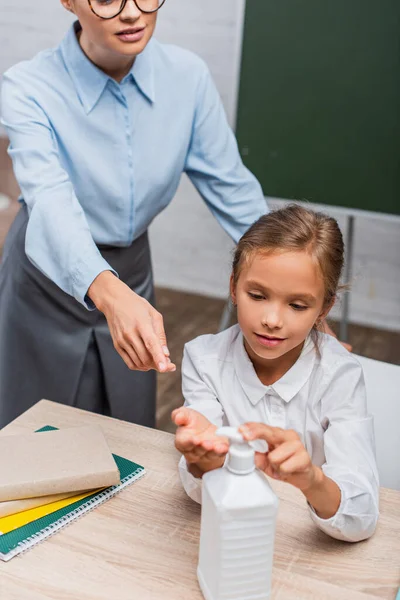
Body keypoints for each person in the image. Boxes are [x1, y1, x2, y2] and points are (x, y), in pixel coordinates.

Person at [0, 0, 267, 428]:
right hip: (43, 284)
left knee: (127, 428)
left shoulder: (188, 77)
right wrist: (109, 292)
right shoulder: (27, 85)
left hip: (132, 273)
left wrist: (297, 288)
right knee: (33, 434)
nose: (132, 13)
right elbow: (50, 200)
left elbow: (231, 186)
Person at [172, 204, 379, 542]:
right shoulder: (204, 358)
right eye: (257, 295)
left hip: (305, 549)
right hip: (231, 539)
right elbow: (198, 493)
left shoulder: (340, 375)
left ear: (324, 308)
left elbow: (362, 518)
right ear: (233, 287)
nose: (272, 319)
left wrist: (311, 479)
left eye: (297, 305)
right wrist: (201, 461)